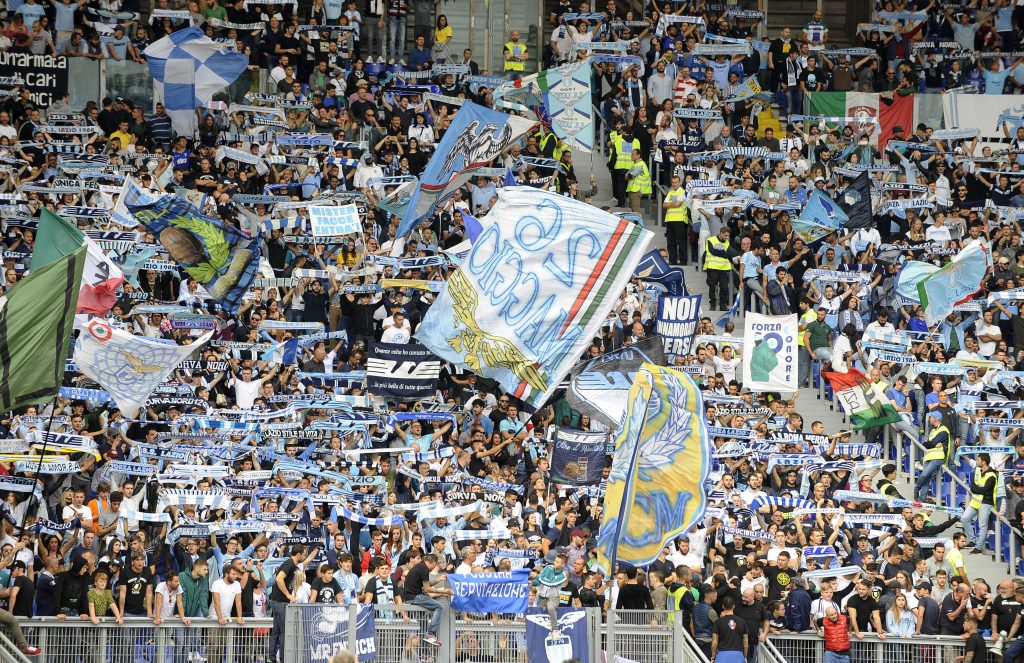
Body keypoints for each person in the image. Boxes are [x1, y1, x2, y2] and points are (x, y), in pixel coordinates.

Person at [711, 596, 748, 663]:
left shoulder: (718, 622)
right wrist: (745, 656)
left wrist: (713, 657)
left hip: (722, 656)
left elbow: (714, 642)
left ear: (723, 606)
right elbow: (745, 641)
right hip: (738, 655)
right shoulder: (742, 621)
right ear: (733, 606)